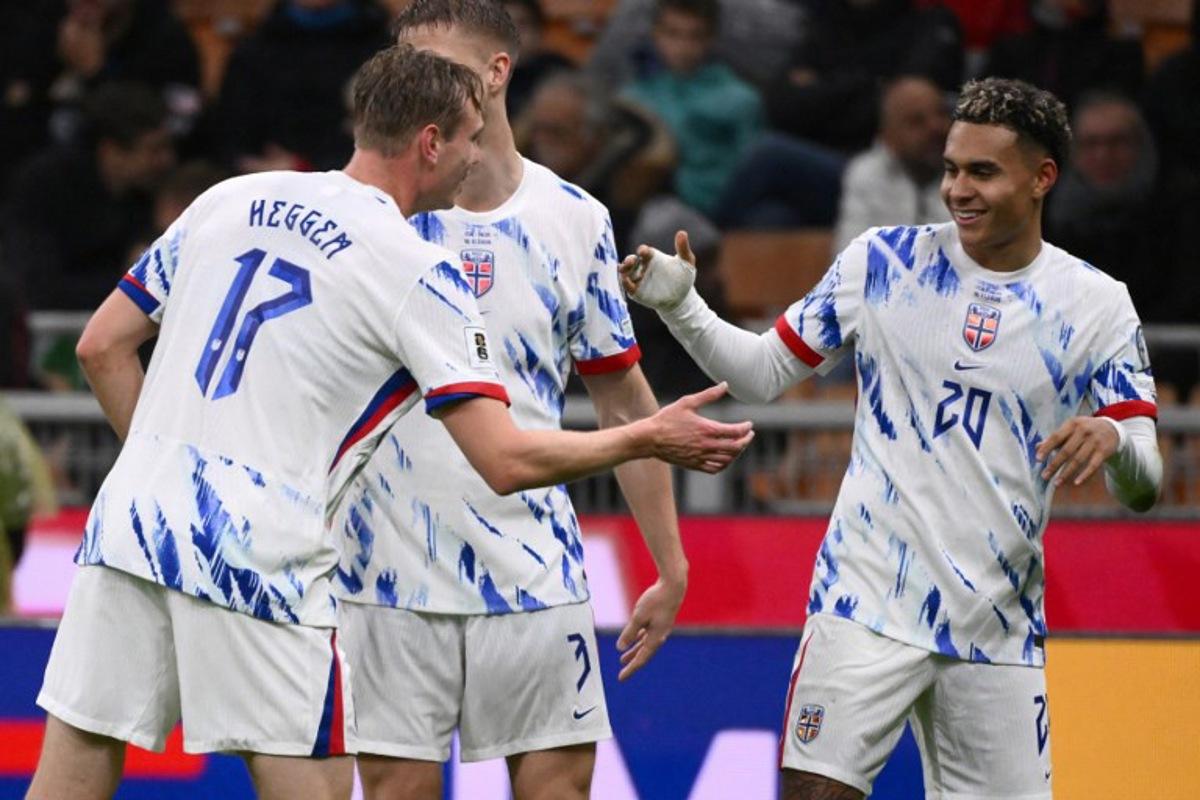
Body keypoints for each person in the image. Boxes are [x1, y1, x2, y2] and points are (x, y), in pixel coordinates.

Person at [26, 44, 752, 800]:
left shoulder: (228, 198)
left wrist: (172, 462)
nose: (478, 157)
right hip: (260, 550)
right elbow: (503, 463)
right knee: (316, 786)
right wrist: (643, 437)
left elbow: (101, 345)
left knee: (76, 766)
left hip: (129, 521)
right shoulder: (413, 269)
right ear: (430, 144)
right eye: (470, 138)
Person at [621, 77, 1162, 799]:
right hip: (866, 601)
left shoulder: (1096, 304)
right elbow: (761, 373)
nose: (958, 189)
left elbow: (1146, 483)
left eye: (982, 172)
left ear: (1042, 178)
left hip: (996, 628)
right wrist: (682, 307)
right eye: (950, 168)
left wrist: (1115, 439)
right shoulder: (883, 261)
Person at [334, 4, 688, 799]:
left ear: (496, 74)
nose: (415, 83)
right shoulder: (359, 213)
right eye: (405, 64)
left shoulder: (574, 218)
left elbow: (621, 398)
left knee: (560, 788)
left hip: (532, 571)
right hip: (383, 573)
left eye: (439, 64)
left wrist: (669, 563)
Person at [619, 0, 763, 217]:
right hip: (651, 207)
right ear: (656, 34)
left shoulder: (740, 99)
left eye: (695, 36)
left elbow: (752, 175)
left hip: (722, 209)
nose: (683, 47)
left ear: (711, 38)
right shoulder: (631, 98)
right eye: (673, 33)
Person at [834, 75, 952, 252]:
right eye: (917, 121)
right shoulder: (867, 173)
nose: (936, 127)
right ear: (888, 135)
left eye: (941, 114)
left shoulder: (970, 172)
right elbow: (849, 258)